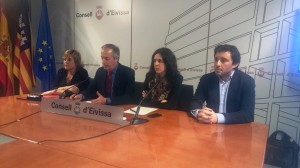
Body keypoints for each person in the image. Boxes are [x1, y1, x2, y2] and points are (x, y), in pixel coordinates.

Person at [190, 44, 255, 124]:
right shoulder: (206, 79)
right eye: (216, 59)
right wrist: (199, 113)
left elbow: (248, 114)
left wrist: (217, 118)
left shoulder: (247, 81)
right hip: (210, 127)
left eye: (223, 60)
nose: (218, 64)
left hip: (234, 128)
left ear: (235, 64)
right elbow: (195, 102)